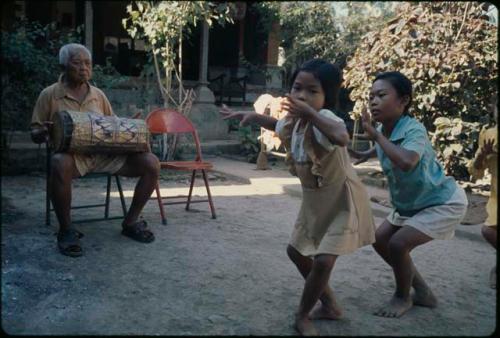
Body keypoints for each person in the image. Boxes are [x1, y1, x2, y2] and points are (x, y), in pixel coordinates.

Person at [220, 59, 376, 336]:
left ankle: (302, 315)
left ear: (327, 96)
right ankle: (330, 306)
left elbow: (341, 136)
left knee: (324, 261)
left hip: (342, 198)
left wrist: (311, 114)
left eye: (312, 91)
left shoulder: (327, 120)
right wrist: (251, 116)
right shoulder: (294, 123)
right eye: (297, 88)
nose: (302, 96)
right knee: (296, 252)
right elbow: (277, 124)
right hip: (314, 200)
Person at [349, 71, 468, 318]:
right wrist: (366, 153)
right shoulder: (384, 128)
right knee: (380, 240)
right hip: (411, 204)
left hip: (442, 202)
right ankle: (423, 292)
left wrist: (378, 138)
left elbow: (407, 161)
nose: (373, 101)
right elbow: (387, 145)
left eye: (381, 95)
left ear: (403, 101)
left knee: (398, 244)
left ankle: (402, 297)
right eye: (371, 96)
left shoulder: (414, 129)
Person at [30, 43, 160, 257]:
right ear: (63, 65)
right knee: (59, 162)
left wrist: (129, 129)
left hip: (105, 155)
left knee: (151, 163)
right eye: (77, 63)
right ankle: (66, 229)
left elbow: (111, 124)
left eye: (88, 63)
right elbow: (35, 131)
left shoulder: (98, 95)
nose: (84, 68)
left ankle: (131, 221)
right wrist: (42, 132)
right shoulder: (50, 95)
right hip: (74, 158)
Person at [468, 95, 497, 289]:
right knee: (489, 231)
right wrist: (483, 155)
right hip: (497, 195)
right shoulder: (488, 134)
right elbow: (476, 171)